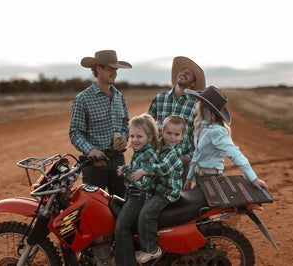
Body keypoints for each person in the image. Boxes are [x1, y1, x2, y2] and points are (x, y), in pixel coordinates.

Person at [69, 50, 132, 198]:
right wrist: (91, 151)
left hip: (118, 161)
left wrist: (124, 137)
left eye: (116, 69)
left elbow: (125, 123)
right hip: (95, 164)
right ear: (98, 68)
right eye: (111, 69)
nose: (115, 73)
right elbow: (75, 132)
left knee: (121, 205)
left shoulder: (119, 97)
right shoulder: (83, 99)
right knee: (92, 208)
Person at [183, 86, 268, 191]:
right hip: (199, 178)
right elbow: (197, 154)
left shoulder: (217, 131)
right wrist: (189, 178)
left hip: (212, 180)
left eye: (198, 101)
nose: (195, 102)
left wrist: (253, 178)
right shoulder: (201, 126)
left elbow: (235, 154)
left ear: (204, 107)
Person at [132, 115, 185, 264]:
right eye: (169, 133)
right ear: (162, 132)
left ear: (182, 136)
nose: (172, 137)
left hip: (167, 192)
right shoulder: (161, 144)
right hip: (158, 187)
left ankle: (151, 249)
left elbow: (163, 168)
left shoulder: (174, 153)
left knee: (147, 212)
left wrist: (144, 170)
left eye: (176, 134)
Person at [147, 56, 205, 183]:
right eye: (182, 71)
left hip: (182, 163)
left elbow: (200, 137)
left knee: (181, 200)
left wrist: (188, 158)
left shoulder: (196, 106)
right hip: (158, 159)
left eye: (188, 73)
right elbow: (147, 127)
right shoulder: (159, 98)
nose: (183, 73)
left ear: (193, 83)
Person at [115, 114, 160, 266]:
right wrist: (128, 169)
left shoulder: (149, 154)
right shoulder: (140, 152)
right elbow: (136, 171)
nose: (134, 140)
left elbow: (143, 183)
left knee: (121, 228)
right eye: (132, 136)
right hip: (133, 194)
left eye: (139, 136)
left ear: (150, 136)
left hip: (139, 196)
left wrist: (126, 172)